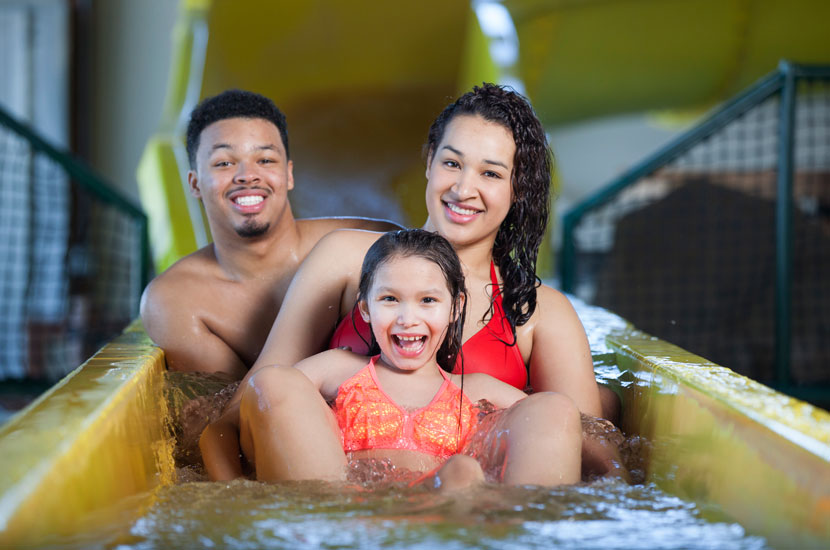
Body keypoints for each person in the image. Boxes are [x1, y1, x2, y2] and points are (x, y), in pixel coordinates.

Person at [205, 83, 623, 478]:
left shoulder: (539, 311)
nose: (463, 188)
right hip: (341, 489)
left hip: (472, 498)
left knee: (552, 413)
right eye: (452, 163)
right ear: (429, 163)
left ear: (519, 189)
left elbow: (591, 447)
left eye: (490, 174)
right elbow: (250, 405)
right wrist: (227, 504)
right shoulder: (349, 259)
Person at [201, 229, 583, 487]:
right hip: (346, 510)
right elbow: (222, 430)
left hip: (443, 513)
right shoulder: (337, 369)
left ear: (455, 308)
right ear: (365, 308)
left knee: (476, 462)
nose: (407, 318)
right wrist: (230, 496)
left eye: (428, 301)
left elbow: (570, 429)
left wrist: (615, 471)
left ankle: (525, 528)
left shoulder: (475, 391)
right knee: (273, 381)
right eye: (390, 299)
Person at [140, 89, 400, 378]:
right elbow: (232, 413)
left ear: (289, 175)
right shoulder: (177, 300)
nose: (247, 175)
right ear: (195, 183)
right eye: (224, 163)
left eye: (265, 160)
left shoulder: (369, 244)